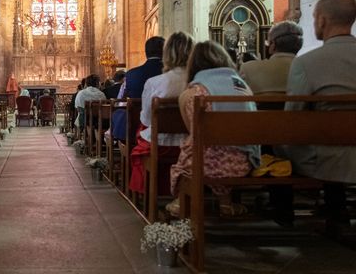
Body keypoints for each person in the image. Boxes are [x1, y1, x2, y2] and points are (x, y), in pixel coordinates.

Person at [274, 0, 356, 225]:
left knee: (278, 142)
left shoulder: (307, 62)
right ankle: (335, 205)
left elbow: (293, 118)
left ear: (322, 21)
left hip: (324, 159)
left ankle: (283, 212)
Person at [168, 41, 261, 217]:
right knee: (222, 149)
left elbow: (193, 132)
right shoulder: (242, 87)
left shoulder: (193, 94)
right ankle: (226, 203)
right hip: (243, 163)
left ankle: (182, 201)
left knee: (193, 147)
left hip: (204, 166)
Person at [129, 32, 194, 195]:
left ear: (167, 54)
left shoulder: (154, 82)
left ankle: (153, 188)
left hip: (161, 145)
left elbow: (146, 119)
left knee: (142, 132)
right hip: (192, 145)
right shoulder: (200, 82)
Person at [112, 37, 165, 141]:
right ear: (165, 51)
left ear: (146, 52)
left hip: (137, 125)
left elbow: (122, 100)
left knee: (119, 114)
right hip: (169, 126)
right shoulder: (171, 73)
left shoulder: (131, 74)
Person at [239, 20, 303, 95]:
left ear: (273, 44)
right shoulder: (309, 69)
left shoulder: (248, 69)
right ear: (300, 45)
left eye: (268, 42)